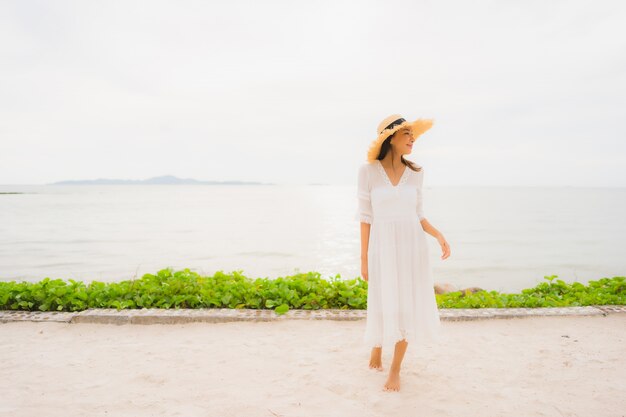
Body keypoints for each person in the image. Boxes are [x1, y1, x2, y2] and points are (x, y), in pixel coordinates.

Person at [356, 114, 451, 392]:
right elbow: (365, 217)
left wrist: (438, 235)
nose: (412, 139)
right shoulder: (368, 171)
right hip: (382, 247)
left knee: (405, 305)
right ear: (390, 139)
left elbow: (418, 215)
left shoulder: (417, 173)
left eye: (412, 134)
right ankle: (376, 346)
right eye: (406, 134)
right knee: (384, 300)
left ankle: (395, 370)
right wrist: (363, 258)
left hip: (412, 247)